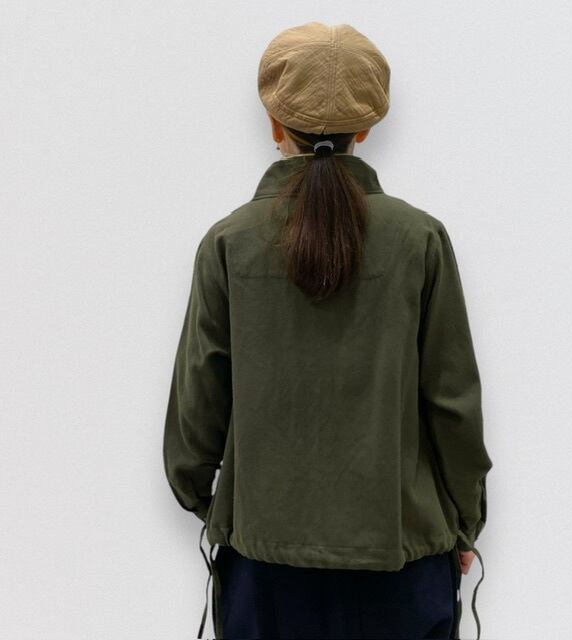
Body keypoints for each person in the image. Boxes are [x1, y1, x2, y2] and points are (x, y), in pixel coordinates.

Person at [162, 21, 493, 640]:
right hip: (401, 557)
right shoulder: (419, 239)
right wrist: (464, 521)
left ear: (274, 124)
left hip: (264, 563)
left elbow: (198, 403)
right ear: (365, 129)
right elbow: (452, 400)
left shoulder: (229, 242)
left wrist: (212, 504)